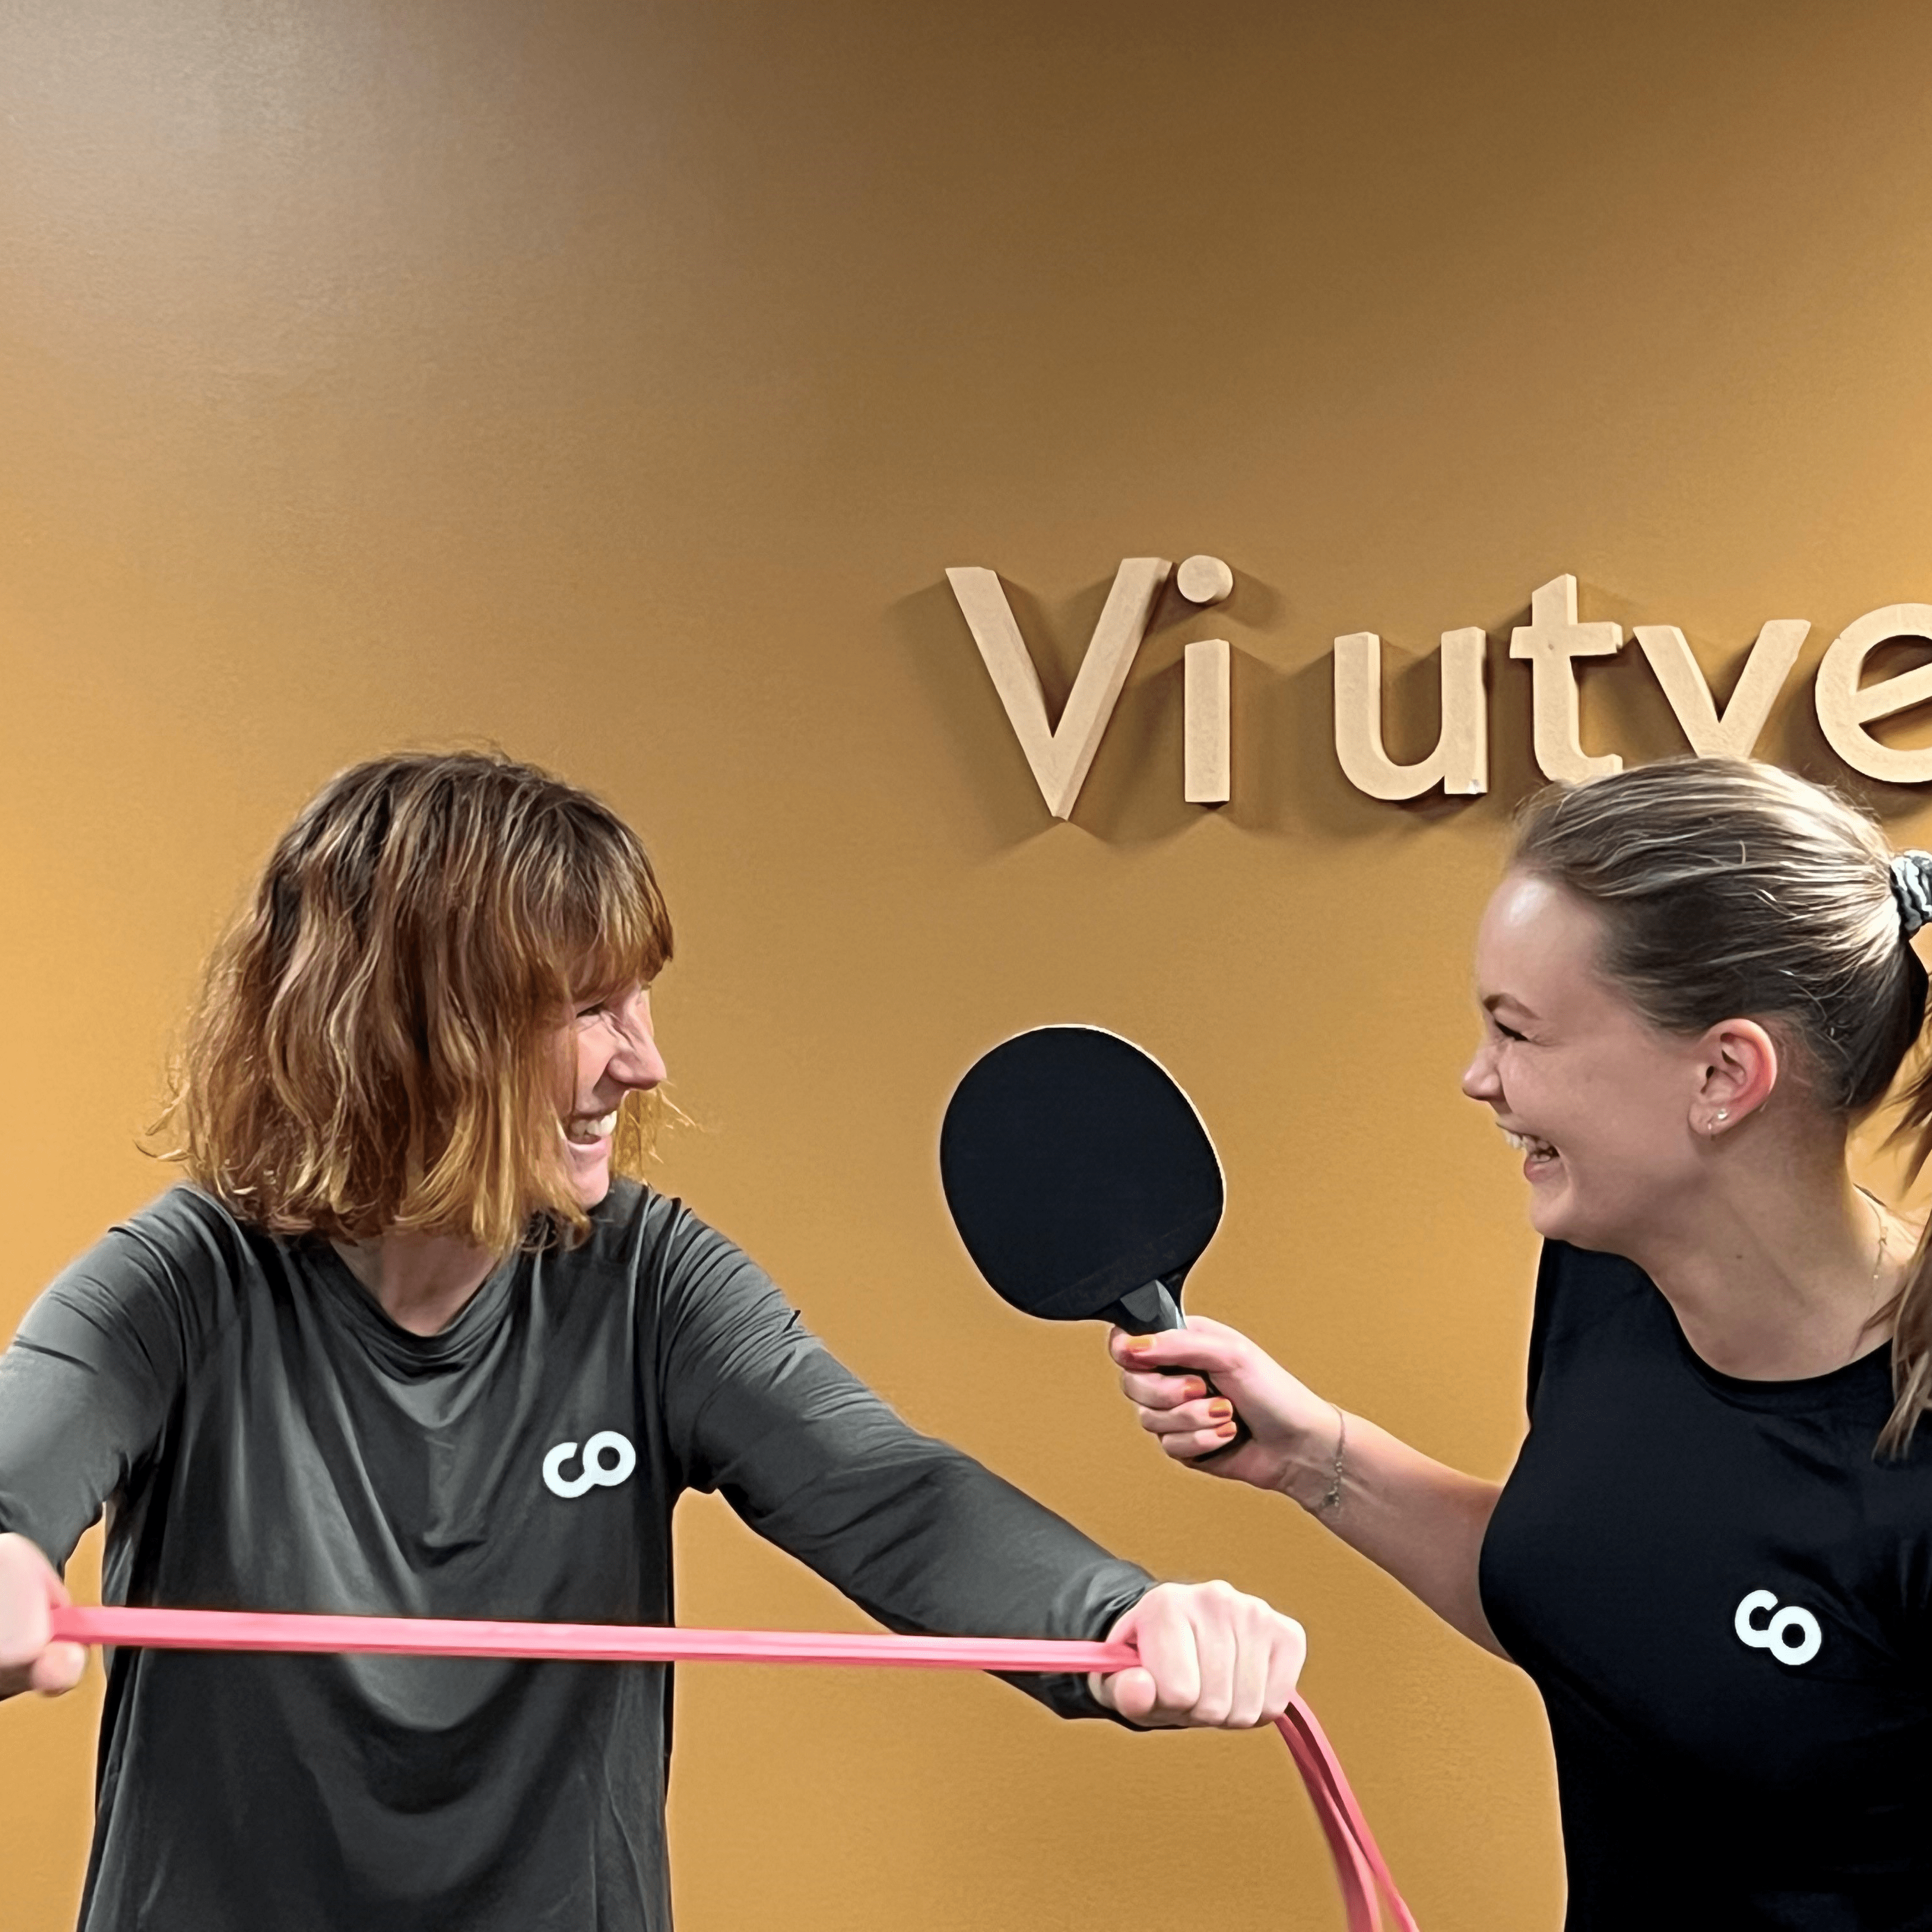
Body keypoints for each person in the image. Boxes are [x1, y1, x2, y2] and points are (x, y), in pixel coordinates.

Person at [0, 750, 1306, 1932]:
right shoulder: (184, 1282)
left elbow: (889, 1494)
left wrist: (1127, 1614)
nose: (644, 1062)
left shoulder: (650, 1281)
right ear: (409, 1031)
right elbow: (27, 1454)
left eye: (639, 1002)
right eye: (586, 1010)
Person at [1112, 756, 1932, 1931]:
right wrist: (1313, 1455)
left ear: (1724, 1072)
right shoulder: (1605, 1279)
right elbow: (1622, 1609)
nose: (1477, 1078)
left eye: (1518, 1033)